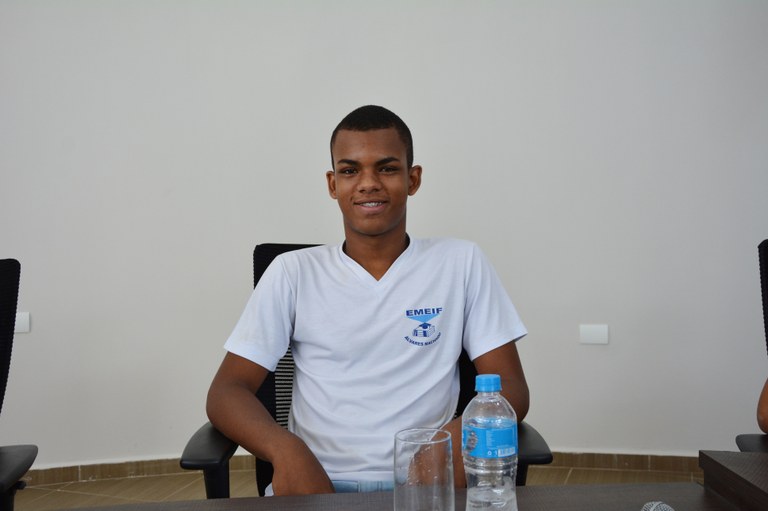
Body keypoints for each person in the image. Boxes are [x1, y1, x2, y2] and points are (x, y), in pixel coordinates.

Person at [206, 105, 530, 495]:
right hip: (316, 486)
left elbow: (509, 386)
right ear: (332, 184)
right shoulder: (292, 272)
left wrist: (450, 443)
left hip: (422, 486)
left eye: (387, 168)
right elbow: (227, 391)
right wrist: (285, 449)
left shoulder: (460, 262)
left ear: (413, 179)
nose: (368, 183)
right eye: (350, 171)